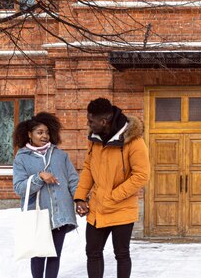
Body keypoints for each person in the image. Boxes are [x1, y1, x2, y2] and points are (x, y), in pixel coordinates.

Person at [74, 98, 150, 278]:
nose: (88, 124)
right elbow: (88, 169)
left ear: (104, 121)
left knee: (121, 254)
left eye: (91, 121)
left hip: (122, 208)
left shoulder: (134, 141)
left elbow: (141, 176)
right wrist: (80, 197)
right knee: (92, 252)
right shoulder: (94, 139)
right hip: (98, 209)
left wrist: (113, 196)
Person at [13, 112, 79, 278]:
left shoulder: (60, 155)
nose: (45, 136)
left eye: (47, 132)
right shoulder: (21, 158)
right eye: (40, 132)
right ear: (29, 134)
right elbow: (19, 188)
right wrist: (39, 176)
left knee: (54, 255)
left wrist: (80, 200)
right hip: (37, 215)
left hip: (60, 214)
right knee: (38, 255)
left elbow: (73, 180)